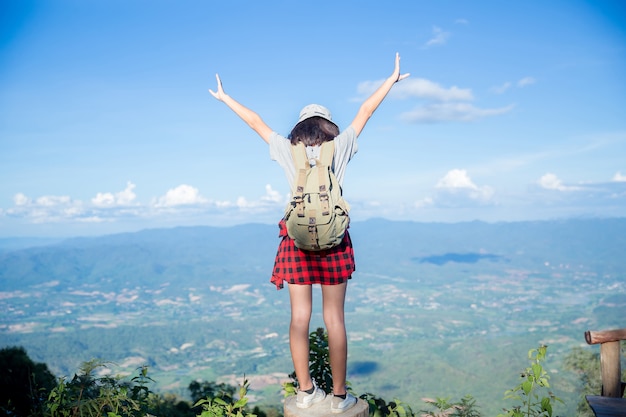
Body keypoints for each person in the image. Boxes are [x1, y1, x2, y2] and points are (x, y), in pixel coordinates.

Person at [209, 53, 409, 413]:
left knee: (299, 318)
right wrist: (390, 80)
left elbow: (256, 122)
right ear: (328, 127)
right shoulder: (340, 146)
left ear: (300, 129)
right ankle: (338, 396)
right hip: (334, 243)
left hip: (296, 244)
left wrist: (225, 98)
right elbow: (365, 110)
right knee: (335, 320)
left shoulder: (287, 150)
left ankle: (305, 391)